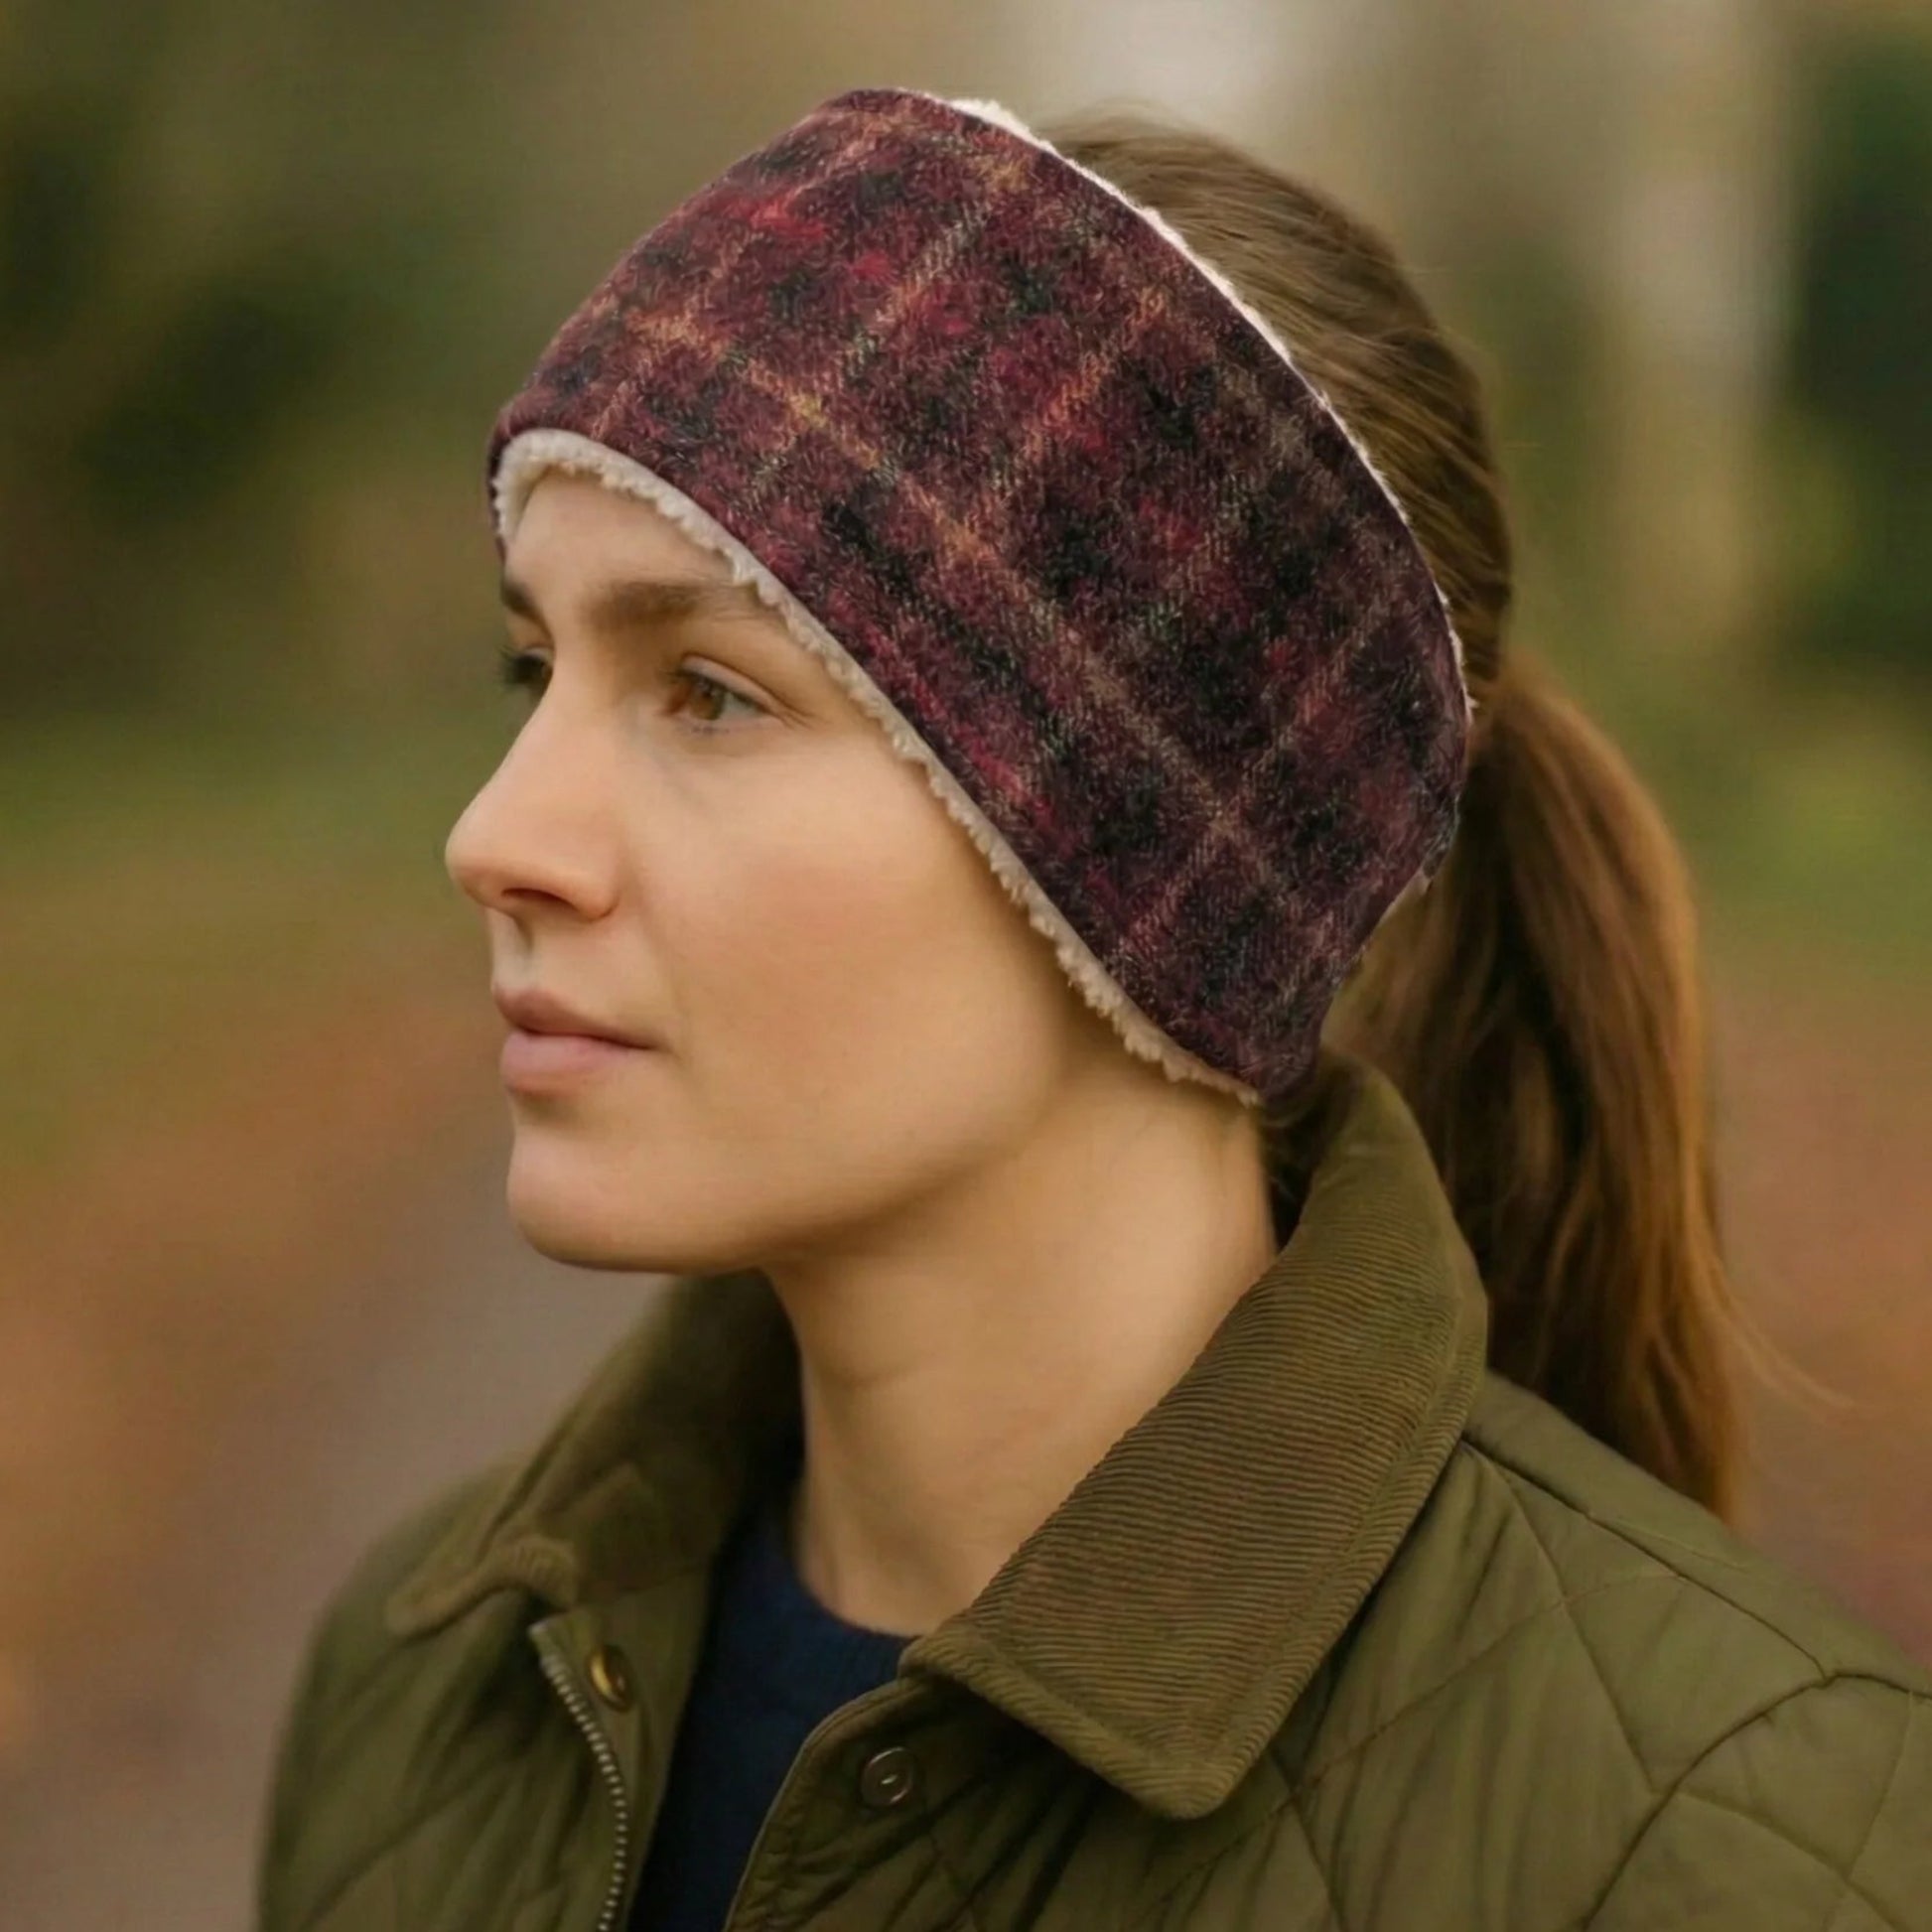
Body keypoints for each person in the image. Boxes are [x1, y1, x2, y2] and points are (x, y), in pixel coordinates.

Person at [254, 86, 1930, 1932]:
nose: (498, 835)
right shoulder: (429, 1690)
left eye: (711, 692)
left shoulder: (1718, 1844)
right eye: (533, 665)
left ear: (1150, 852)